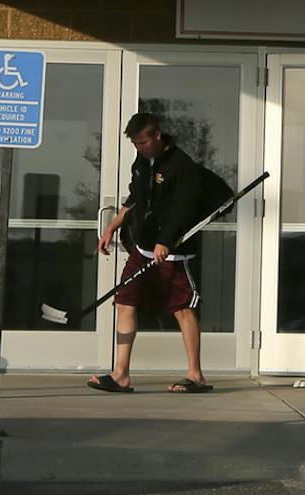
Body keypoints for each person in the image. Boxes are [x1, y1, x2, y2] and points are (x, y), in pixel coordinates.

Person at [87, 113, 228, 395]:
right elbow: (134, 199)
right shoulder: (141, 162)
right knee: (125, 303)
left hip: (174, 253)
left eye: (142, 142)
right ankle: (120, 375)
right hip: (142, 248)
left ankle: (196, 375)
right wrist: (111, 228)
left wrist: (165, 241)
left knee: (182, 309)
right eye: (135, 144)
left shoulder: (182, 166)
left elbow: (184, 209)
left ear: (157, 136)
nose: (139, 148)